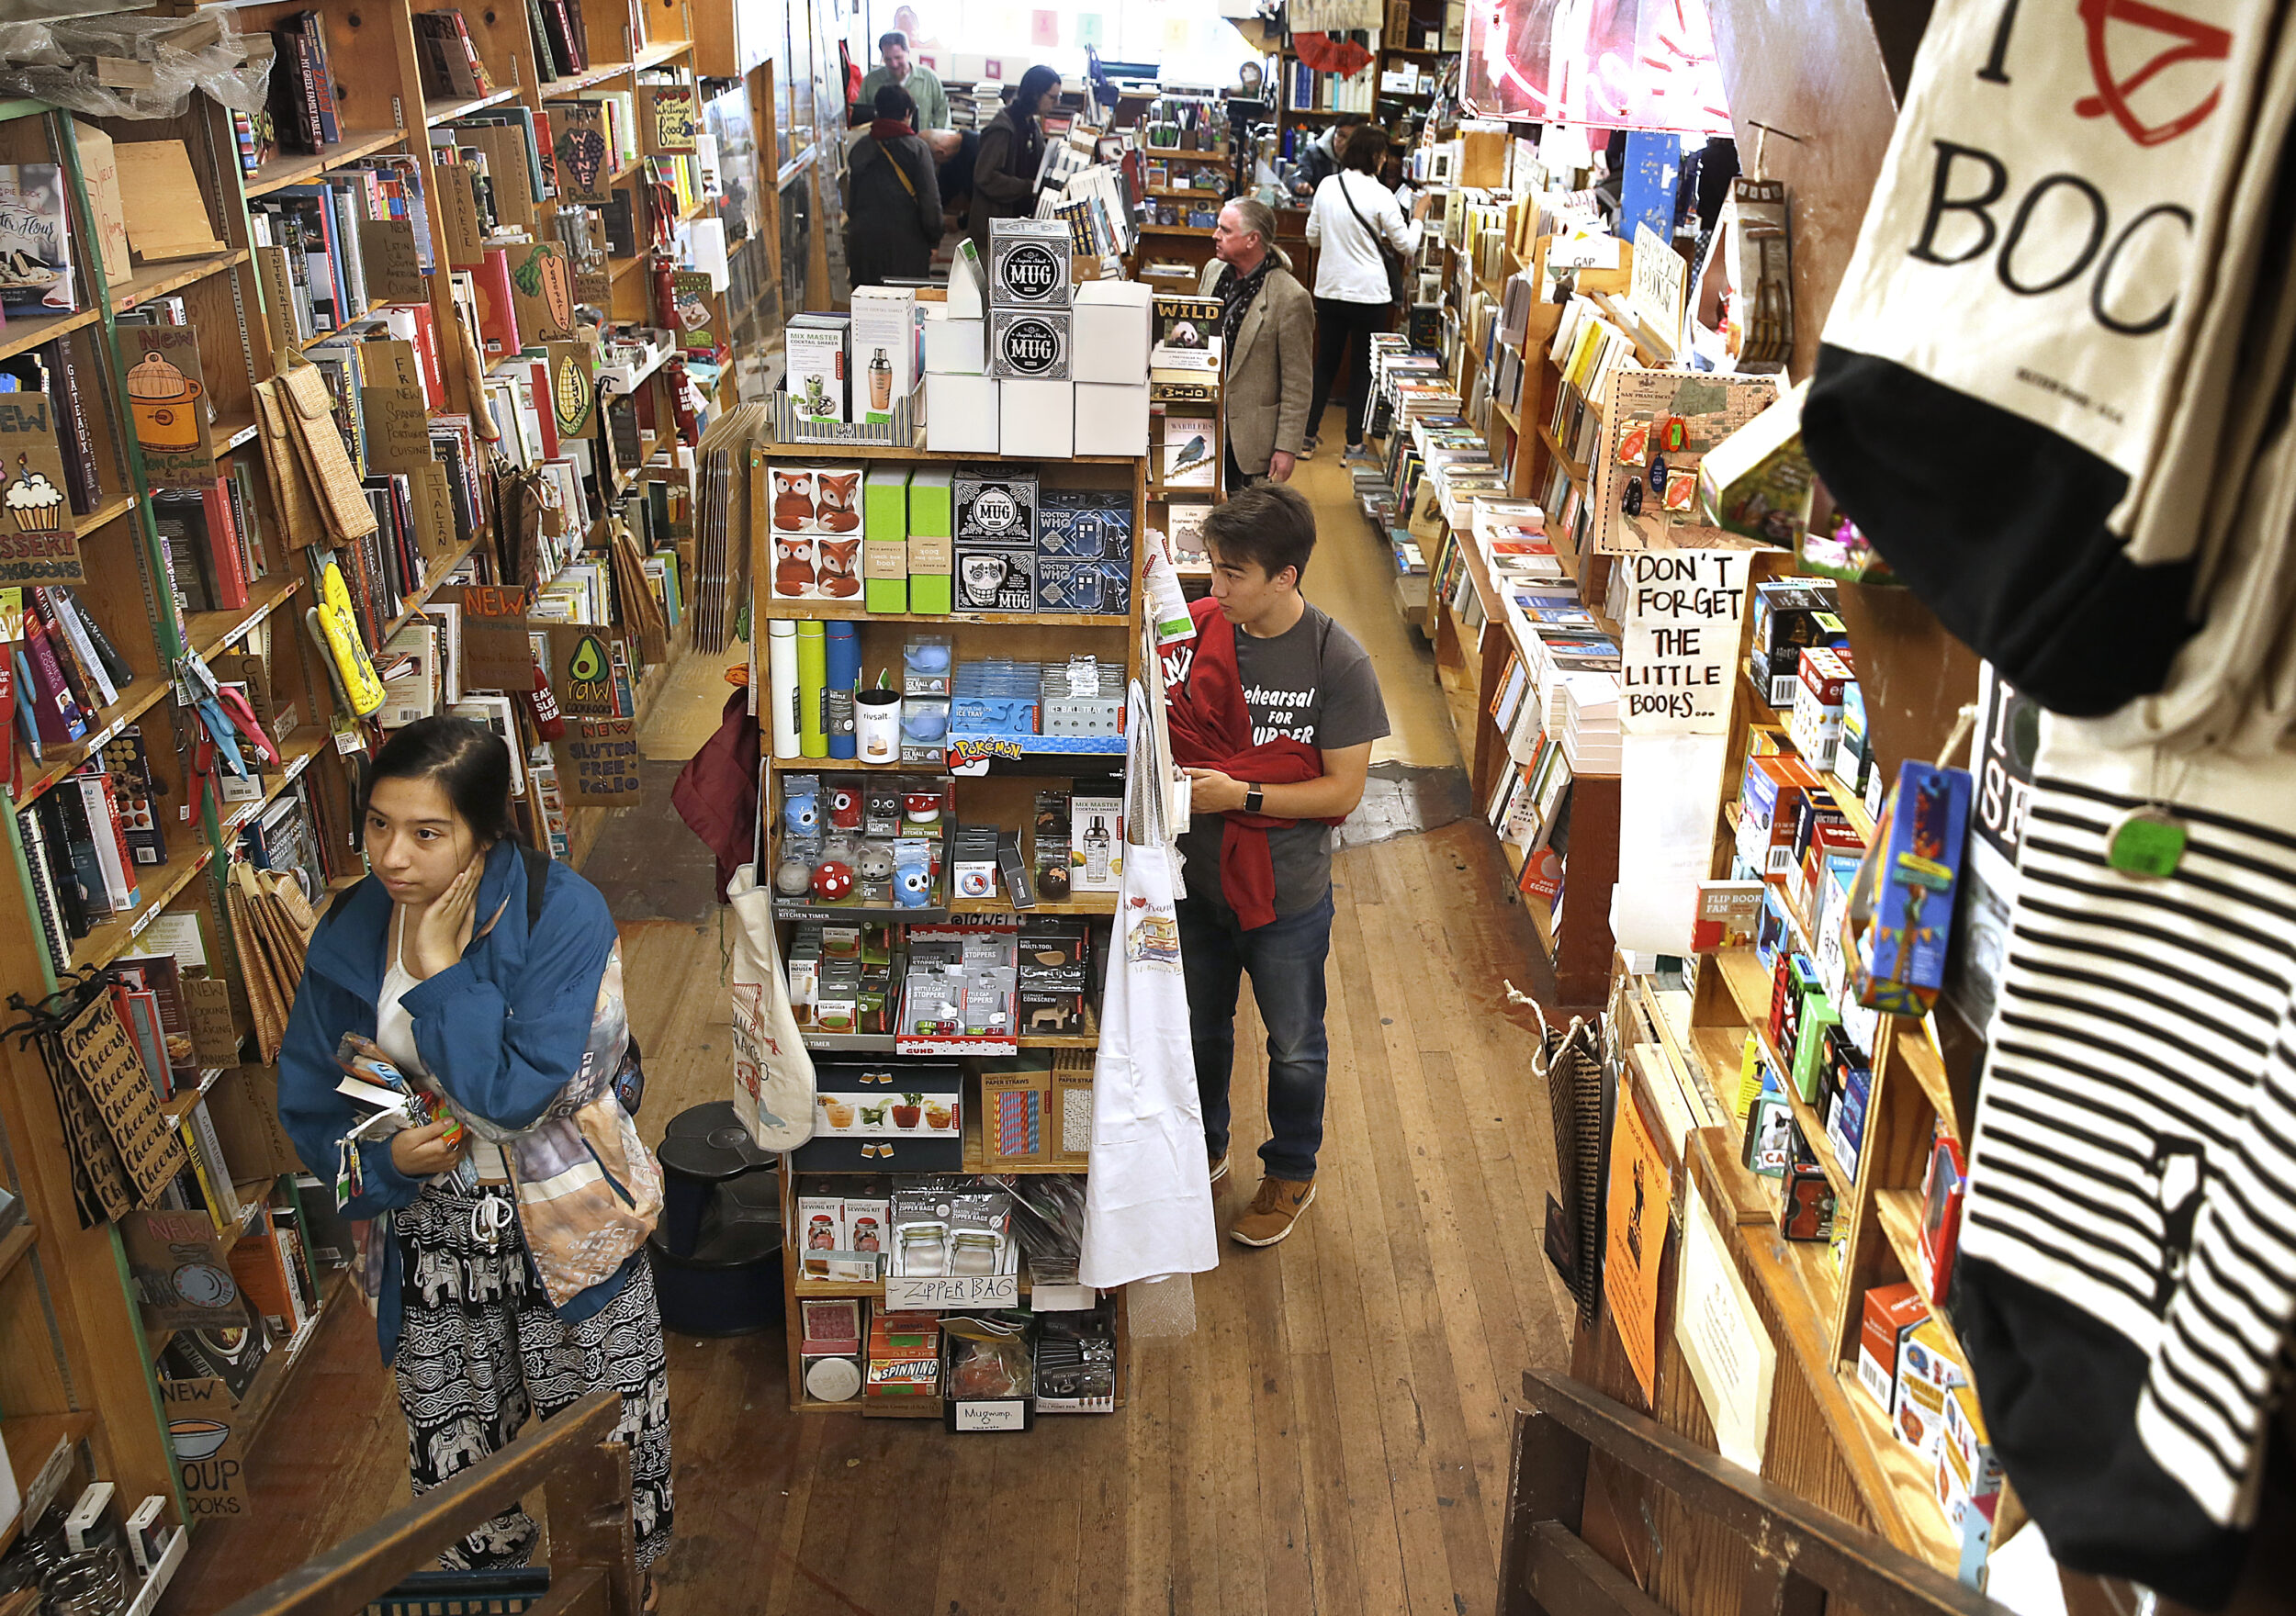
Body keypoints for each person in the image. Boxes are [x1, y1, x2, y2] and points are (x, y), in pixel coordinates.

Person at [276, 718, 673, 1599]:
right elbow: (307, 1114)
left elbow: (518, 1098)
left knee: (609, 1453)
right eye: (378, 824)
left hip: (572, 1234)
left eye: (427, 832)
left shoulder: (560, 913)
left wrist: (438, 969)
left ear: (485, 831)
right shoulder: (347, 931)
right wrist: (387, 1174)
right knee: (459, 1486)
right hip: (429, 1247)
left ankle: (622, 1591)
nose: (393, 858)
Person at [1165, 483, 1390, 1248]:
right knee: (1198, 1028)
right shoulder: (1191, 634)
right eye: (1213, 569)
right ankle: (1205, 1146)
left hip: (1287, 896)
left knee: (1295, 1043)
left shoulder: (1339, 660)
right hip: (1190, 882)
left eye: (1232, 574)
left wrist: (1240, 793)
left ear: (1285, 577)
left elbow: (1343, 789)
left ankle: (1292, 1170)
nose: (1216, 586)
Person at [1303, 124, 1422, 459]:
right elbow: (1407, 244)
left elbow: (1312, 237)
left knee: (1324, 364)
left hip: (1329, 290)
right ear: (1376, 156)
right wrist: (1421, 217)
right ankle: (1353, 444)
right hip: (1369, 295)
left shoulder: (1327, 186)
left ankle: (1307, 439)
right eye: (1384, 155)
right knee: (1362, 370)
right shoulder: (1381, 195)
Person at [1203, 198, 1312, 491]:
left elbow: (1298, 384)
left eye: (1225, 230)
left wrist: (1287, 448)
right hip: (1202, 428)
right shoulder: (1213, 272)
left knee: (1244, 529)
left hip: (1250, 444)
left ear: (1253, 239)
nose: (1215, 235)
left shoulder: (1290, 298)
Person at [846, 84, 944, 287]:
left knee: (867, 306)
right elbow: (930, 201)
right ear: (908, 113)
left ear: (877, 111)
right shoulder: (917, 149)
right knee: (904, 307)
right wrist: (934, 240)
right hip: (907, 245)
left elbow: (851, 203)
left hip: (863, 243)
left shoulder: (859, 148)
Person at [969, 64, 1062, 258]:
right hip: (993, 234)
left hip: (1012, 228)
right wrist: (1028, 186)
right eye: (1052, 97)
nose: (1057, 103)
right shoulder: (1003, 127)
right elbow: (985, 177)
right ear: (1035, 94)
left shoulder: (1031, 124)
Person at [857, 30, 949, 130]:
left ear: (908, 52)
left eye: (898, 57)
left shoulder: (929, 78)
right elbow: (860, 115)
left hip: (922, 142)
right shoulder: (871, 80)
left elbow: (942, 114)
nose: (894, 64)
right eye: (888, 59)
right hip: (882, 143)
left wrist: (936, 140)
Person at [1290, 110, 1367, 198]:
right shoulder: (1313, 153)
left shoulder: (1364, 158)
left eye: (1352, 138)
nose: (1345, 143)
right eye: (1341, 136)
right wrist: (1300, 186)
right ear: (1334, 134)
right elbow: (1297, 178)